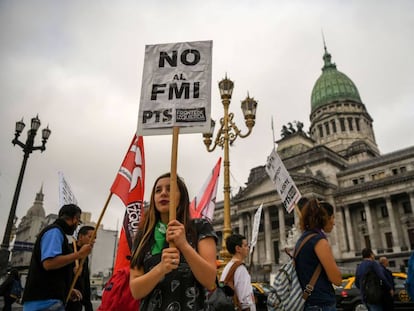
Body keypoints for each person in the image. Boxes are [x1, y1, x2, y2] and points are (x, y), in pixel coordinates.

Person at [129, 173, 218, 310]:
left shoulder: (200, 228)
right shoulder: (143, 236)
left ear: (181, 196)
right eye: (158, 190)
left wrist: (184, 245)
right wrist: (161, 268)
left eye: (170, 189)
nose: (163, 193)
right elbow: (136, 291)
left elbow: (210, 281)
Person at [22, 204, 93, 311]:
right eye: (77, 223)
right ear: (75, 218)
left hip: (50, 299)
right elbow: (49, 263)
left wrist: (66, 290)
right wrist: (78, 255)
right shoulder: (54, 232)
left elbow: (55, 272)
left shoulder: (58, 233)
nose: (76, 226)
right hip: (45, 302)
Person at [295, 198, 342, 311]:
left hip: (309, 303)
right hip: (322, 304)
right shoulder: (319, 240)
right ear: (325, 218)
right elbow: (337, 279)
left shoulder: (302, 240)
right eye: (332, 217)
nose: (334, 222)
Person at [220, 234, 256, 311]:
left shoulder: (228, 266)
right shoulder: (240, 268)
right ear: (238, 248)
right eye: (245, 246)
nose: (248, 248)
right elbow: (246, 302)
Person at [66, 225, 95, 311]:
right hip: (65, 299)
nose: (93, 241)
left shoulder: (85, 256)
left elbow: (85, 281)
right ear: (81, 237)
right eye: (90, 237)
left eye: (95, 238)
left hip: (77, 302)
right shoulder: (68, 249)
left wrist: (88, 305)